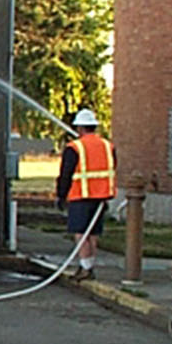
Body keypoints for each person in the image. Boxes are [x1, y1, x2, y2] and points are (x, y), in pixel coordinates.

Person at [55, 108, 115, 281]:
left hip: (80, 196)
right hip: (101, 197)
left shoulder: (74, 148)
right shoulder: (107, 146)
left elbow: (65, 174)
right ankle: (88, 266)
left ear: (80, 128)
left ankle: (86, 268)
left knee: (80, 233)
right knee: (93, 233)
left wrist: (61, 195)